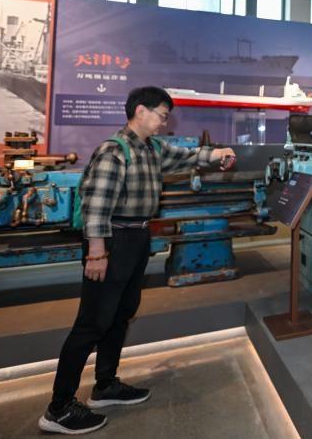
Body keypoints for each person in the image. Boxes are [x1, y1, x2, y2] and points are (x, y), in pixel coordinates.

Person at [39, 87, 236, 435]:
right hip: (112, 241)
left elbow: (187, 156)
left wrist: (218, 153)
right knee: (92, 323)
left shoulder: (152, 149)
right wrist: (96, 252)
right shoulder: (115, 151)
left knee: (121, 314)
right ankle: (59, 408)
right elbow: (95, 206)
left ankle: (105, 385)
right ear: (141, 111)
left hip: (137, 237)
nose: (165, 123)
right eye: (162, 115)